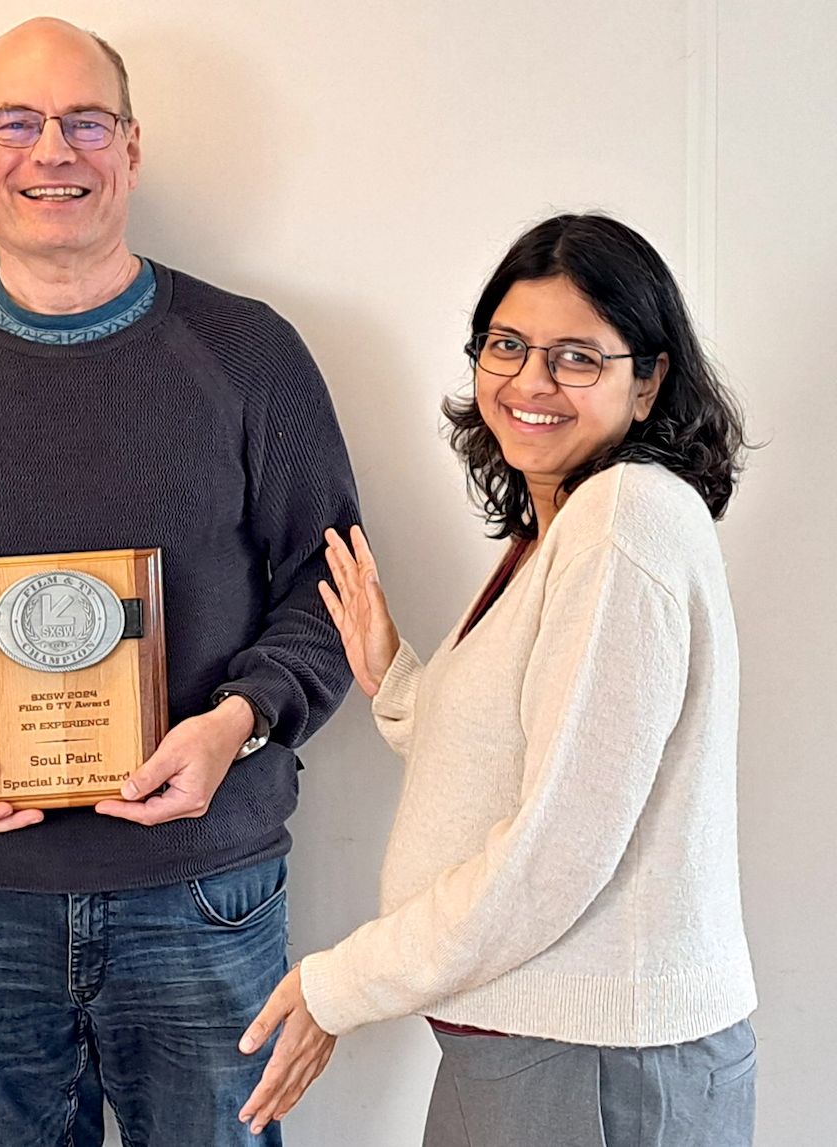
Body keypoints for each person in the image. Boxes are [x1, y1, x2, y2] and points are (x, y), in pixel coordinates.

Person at [0, 18, 359, 1145]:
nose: (54, 150)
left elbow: (333, 591)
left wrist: (237, 723)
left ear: (131, 150)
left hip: (203, 896)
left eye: (85, 122)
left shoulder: (250, 353)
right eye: (17, 122)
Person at [236, 213, 757, 1146]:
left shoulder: (621, 522)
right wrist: (395, 680)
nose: (529, 382)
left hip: (593, 1059)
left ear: (650, 383)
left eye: (576, 358)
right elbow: (522, 755)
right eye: (508, 345)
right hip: (541, 1046)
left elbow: (553, 854)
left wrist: (339, 985)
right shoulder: (565, 523)